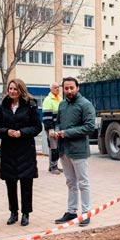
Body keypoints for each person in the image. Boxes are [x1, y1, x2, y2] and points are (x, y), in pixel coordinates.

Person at [0, 78, 42, 226]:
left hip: (25, 148)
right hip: (9, 149)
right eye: (10, 89)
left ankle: (26, 213)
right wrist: (7, 131)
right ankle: (13, 212)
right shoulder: (4, 106)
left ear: (20, 90)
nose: (12, 91)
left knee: (26, 182)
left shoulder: (30, 105)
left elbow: (36, 127)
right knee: (10, 183)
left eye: (15, 89)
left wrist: (21, 132)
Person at [54, 77, 96, 227]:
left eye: (72, 88)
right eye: (66, 88)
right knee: (71, 182)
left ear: (77, 88)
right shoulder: (62, 104)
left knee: (83, 182)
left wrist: (67, 133)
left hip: (79, 150)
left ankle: (86, 213)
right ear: (63, 89)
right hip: (64, 150)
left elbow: (90, 127)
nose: (69, 91)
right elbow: (58, 122)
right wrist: (57, 131)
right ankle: (71, 211)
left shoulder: (85, 105)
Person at [42, 82, 63, 174]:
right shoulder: (48, 100)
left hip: (58, 127)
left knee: (57, 148)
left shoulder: (60, 99)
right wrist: (50, 129)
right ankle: (53, 166)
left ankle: (54, 166)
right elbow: (46, 116)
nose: (57, 89)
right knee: (53, 147)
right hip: (52, 128)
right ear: (51, 89)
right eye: (55, 87)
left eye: (58, 87)